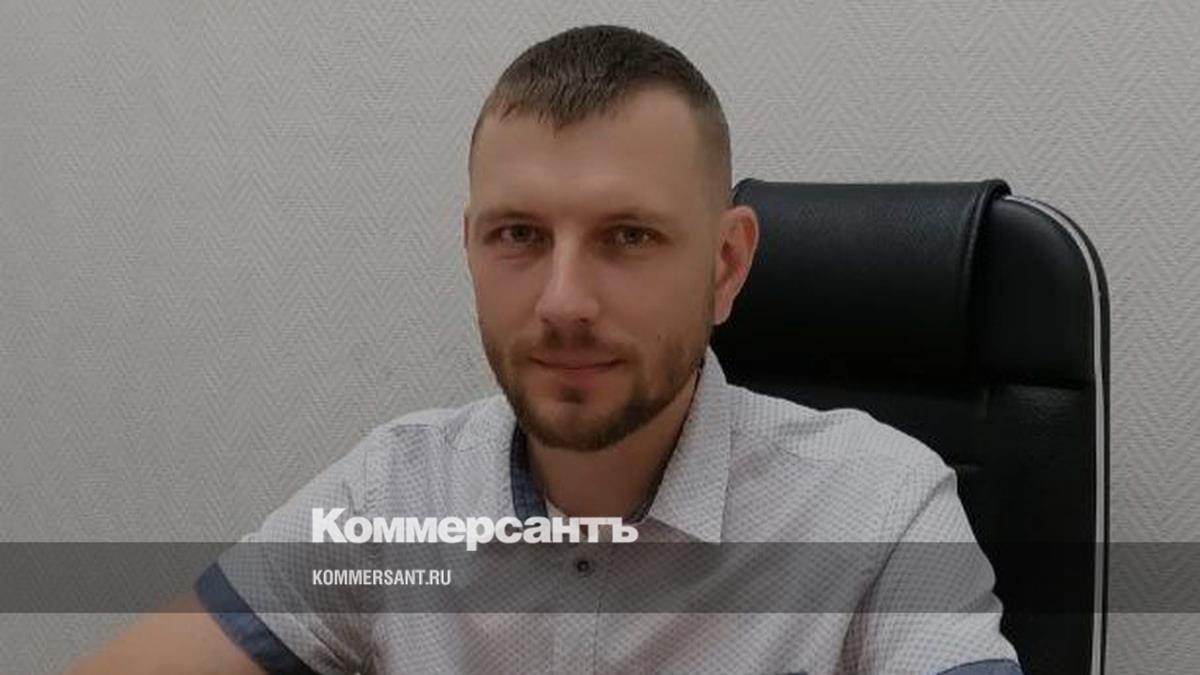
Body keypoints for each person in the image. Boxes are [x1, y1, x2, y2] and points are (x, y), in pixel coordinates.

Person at [69, 24, 1022, 675]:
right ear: (471, 249)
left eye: (628, 236)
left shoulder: (879, 510)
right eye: (519, 235)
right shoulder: (393, 497)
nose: (563, 302)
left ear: (726, 265)